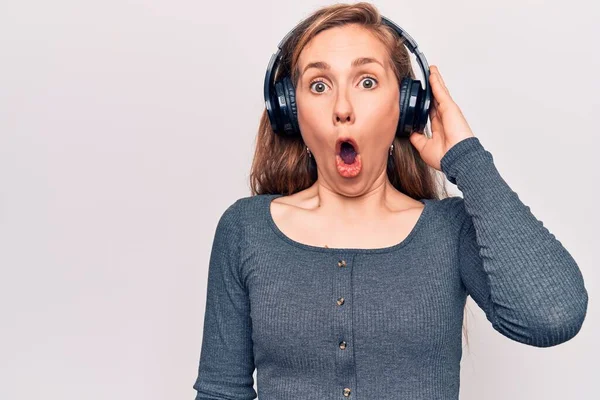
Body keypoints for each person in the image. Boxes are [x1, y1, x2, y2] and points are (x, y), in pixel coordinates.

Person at [192, 3, 588, 399]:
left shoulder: (450, 231)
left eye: (366, 82)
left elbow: (552, 317)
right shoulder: (246, 230)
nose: (343, 108)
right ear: (289, 111)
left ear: (405, 105)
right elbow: (220, 392)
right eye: (318, 85)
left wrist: (466, 159)